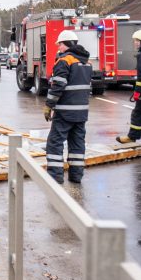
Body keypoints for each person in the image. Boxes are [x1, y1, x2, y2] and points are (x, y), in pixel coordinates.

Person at [43, 30, 92, 184]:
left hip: (65, 111)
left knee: (55, 143)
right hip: (81, 112)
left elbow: (58, 86)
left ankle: (55, 177)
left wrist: (48, 106)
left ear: (67, 45)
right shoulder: (86, 62)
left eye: (60, 45)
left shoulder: (64, 61)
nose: (59, 48)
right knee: (77, 144)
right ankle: (76, 176)